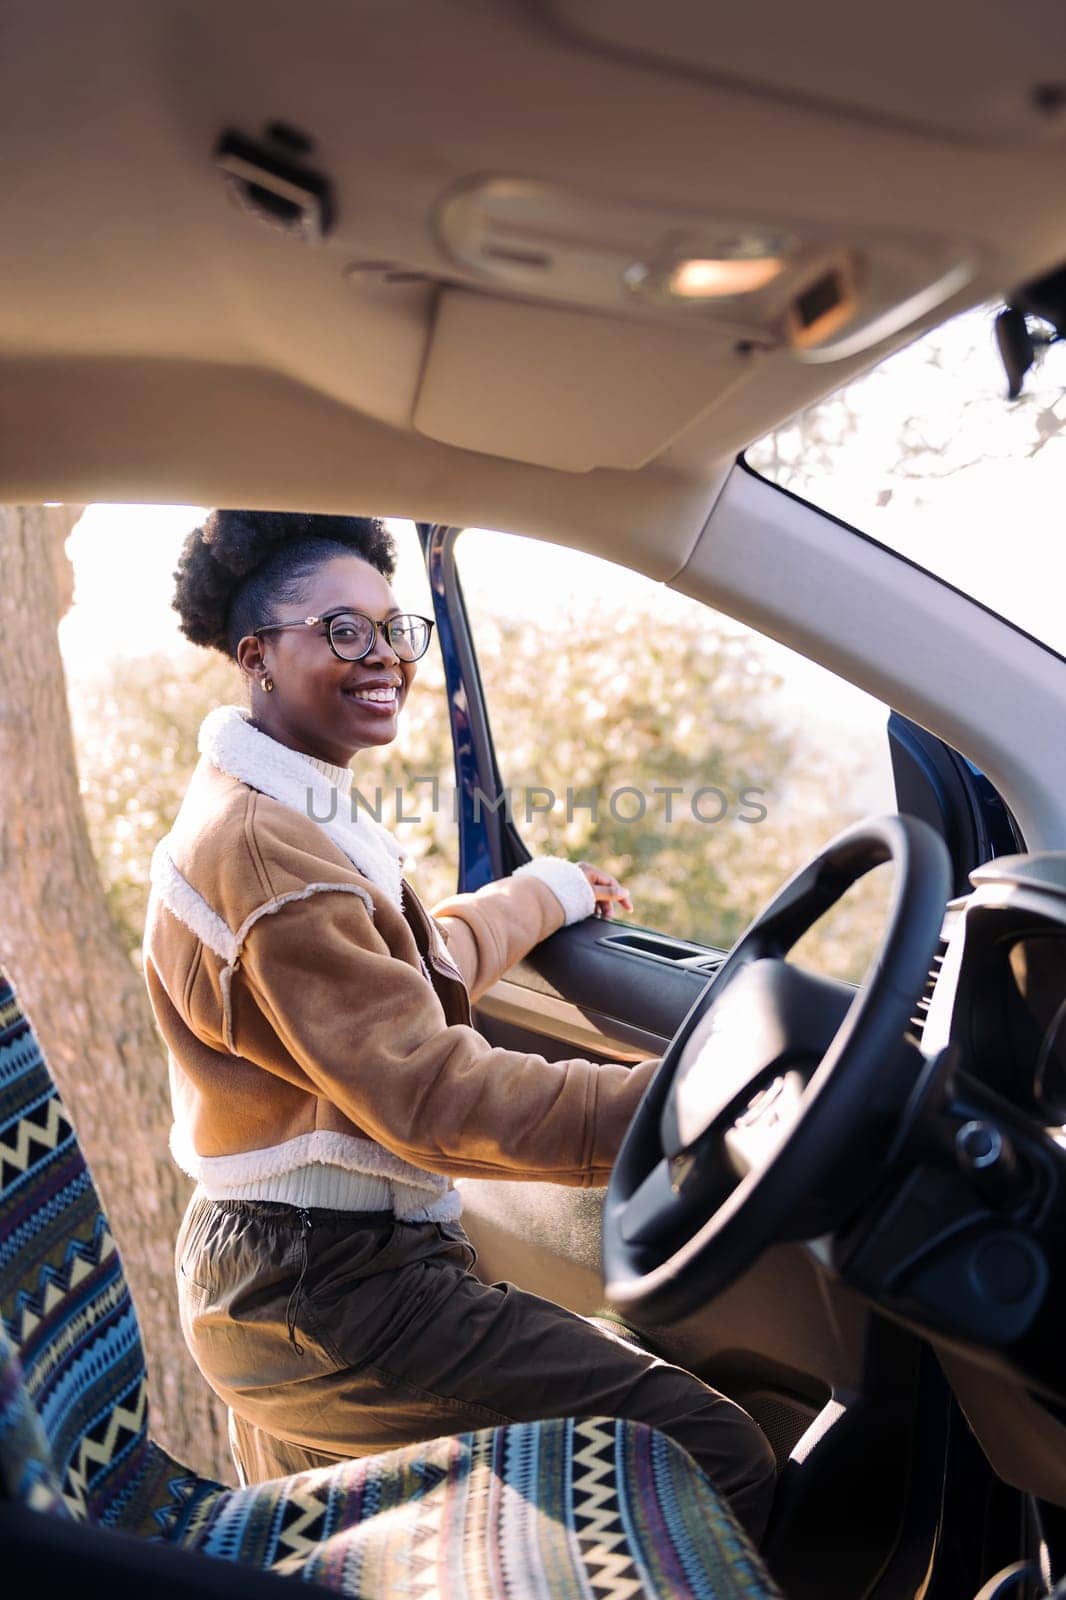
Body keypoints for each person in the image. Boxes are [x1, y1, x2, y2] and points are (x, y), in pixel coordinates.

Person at [143, 509, 777, 1538]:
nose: (385, 655)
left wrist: (543, 893)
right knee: (704, 1453)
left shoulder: (282, 811)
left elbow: (404, 971)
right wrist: (697, 1099)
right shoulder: (264, 846)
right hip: (322, 1283)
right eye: (344, 631)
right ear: (255, 655)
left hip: (295, 1271)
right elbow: (430, 1092)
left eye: (396, 628)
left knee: (358, 1550)